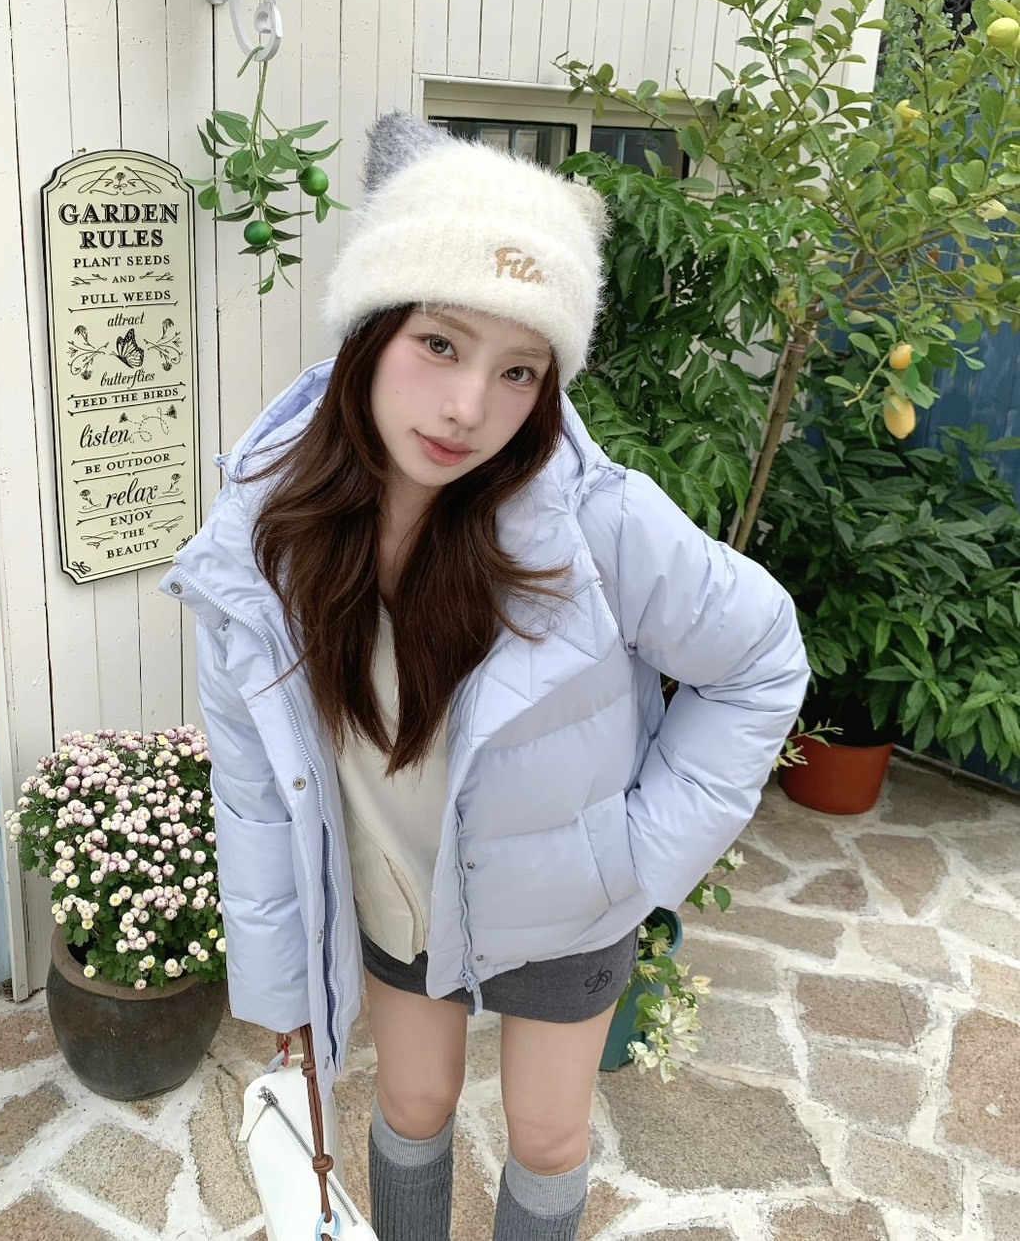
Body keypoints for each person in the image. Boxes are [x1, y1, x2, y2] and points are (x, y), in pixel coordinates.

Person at [161, 112, 809, 1241]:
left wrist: (640, 857)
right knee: (411, 1106)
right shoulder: (263, 542)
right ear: (369, 331)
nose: (469, 407)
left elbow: (759, 659)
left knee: (549, 1135)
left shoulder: (594, 522)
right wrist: (281, 990)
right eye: (439, 344)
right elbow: (257, 789)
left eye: (519, 370)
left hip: (565, 900)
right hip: (399, 893)